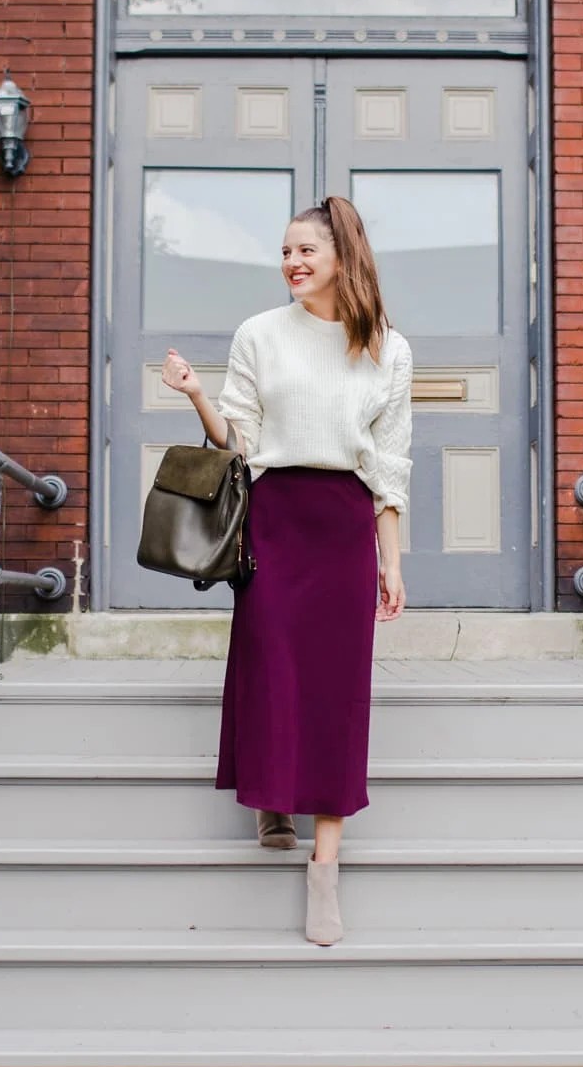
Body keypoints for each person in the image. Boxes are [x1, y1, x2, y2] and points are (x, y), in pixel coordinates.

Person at [161, 196, 413, 948]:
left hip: (342, 522)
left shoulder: (387, 350)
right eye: (285, 253)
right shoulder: (259, 335)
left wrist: (390, 561)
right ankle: (270, 799)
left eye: (306, 251)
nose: (292, 264)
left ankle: (325, 869)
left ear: (343, 256)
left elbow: (391, 465)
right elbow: (239, 438)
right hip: (273, 514)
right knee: (271, 668)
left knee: (336, 692)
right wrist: (198, 395)